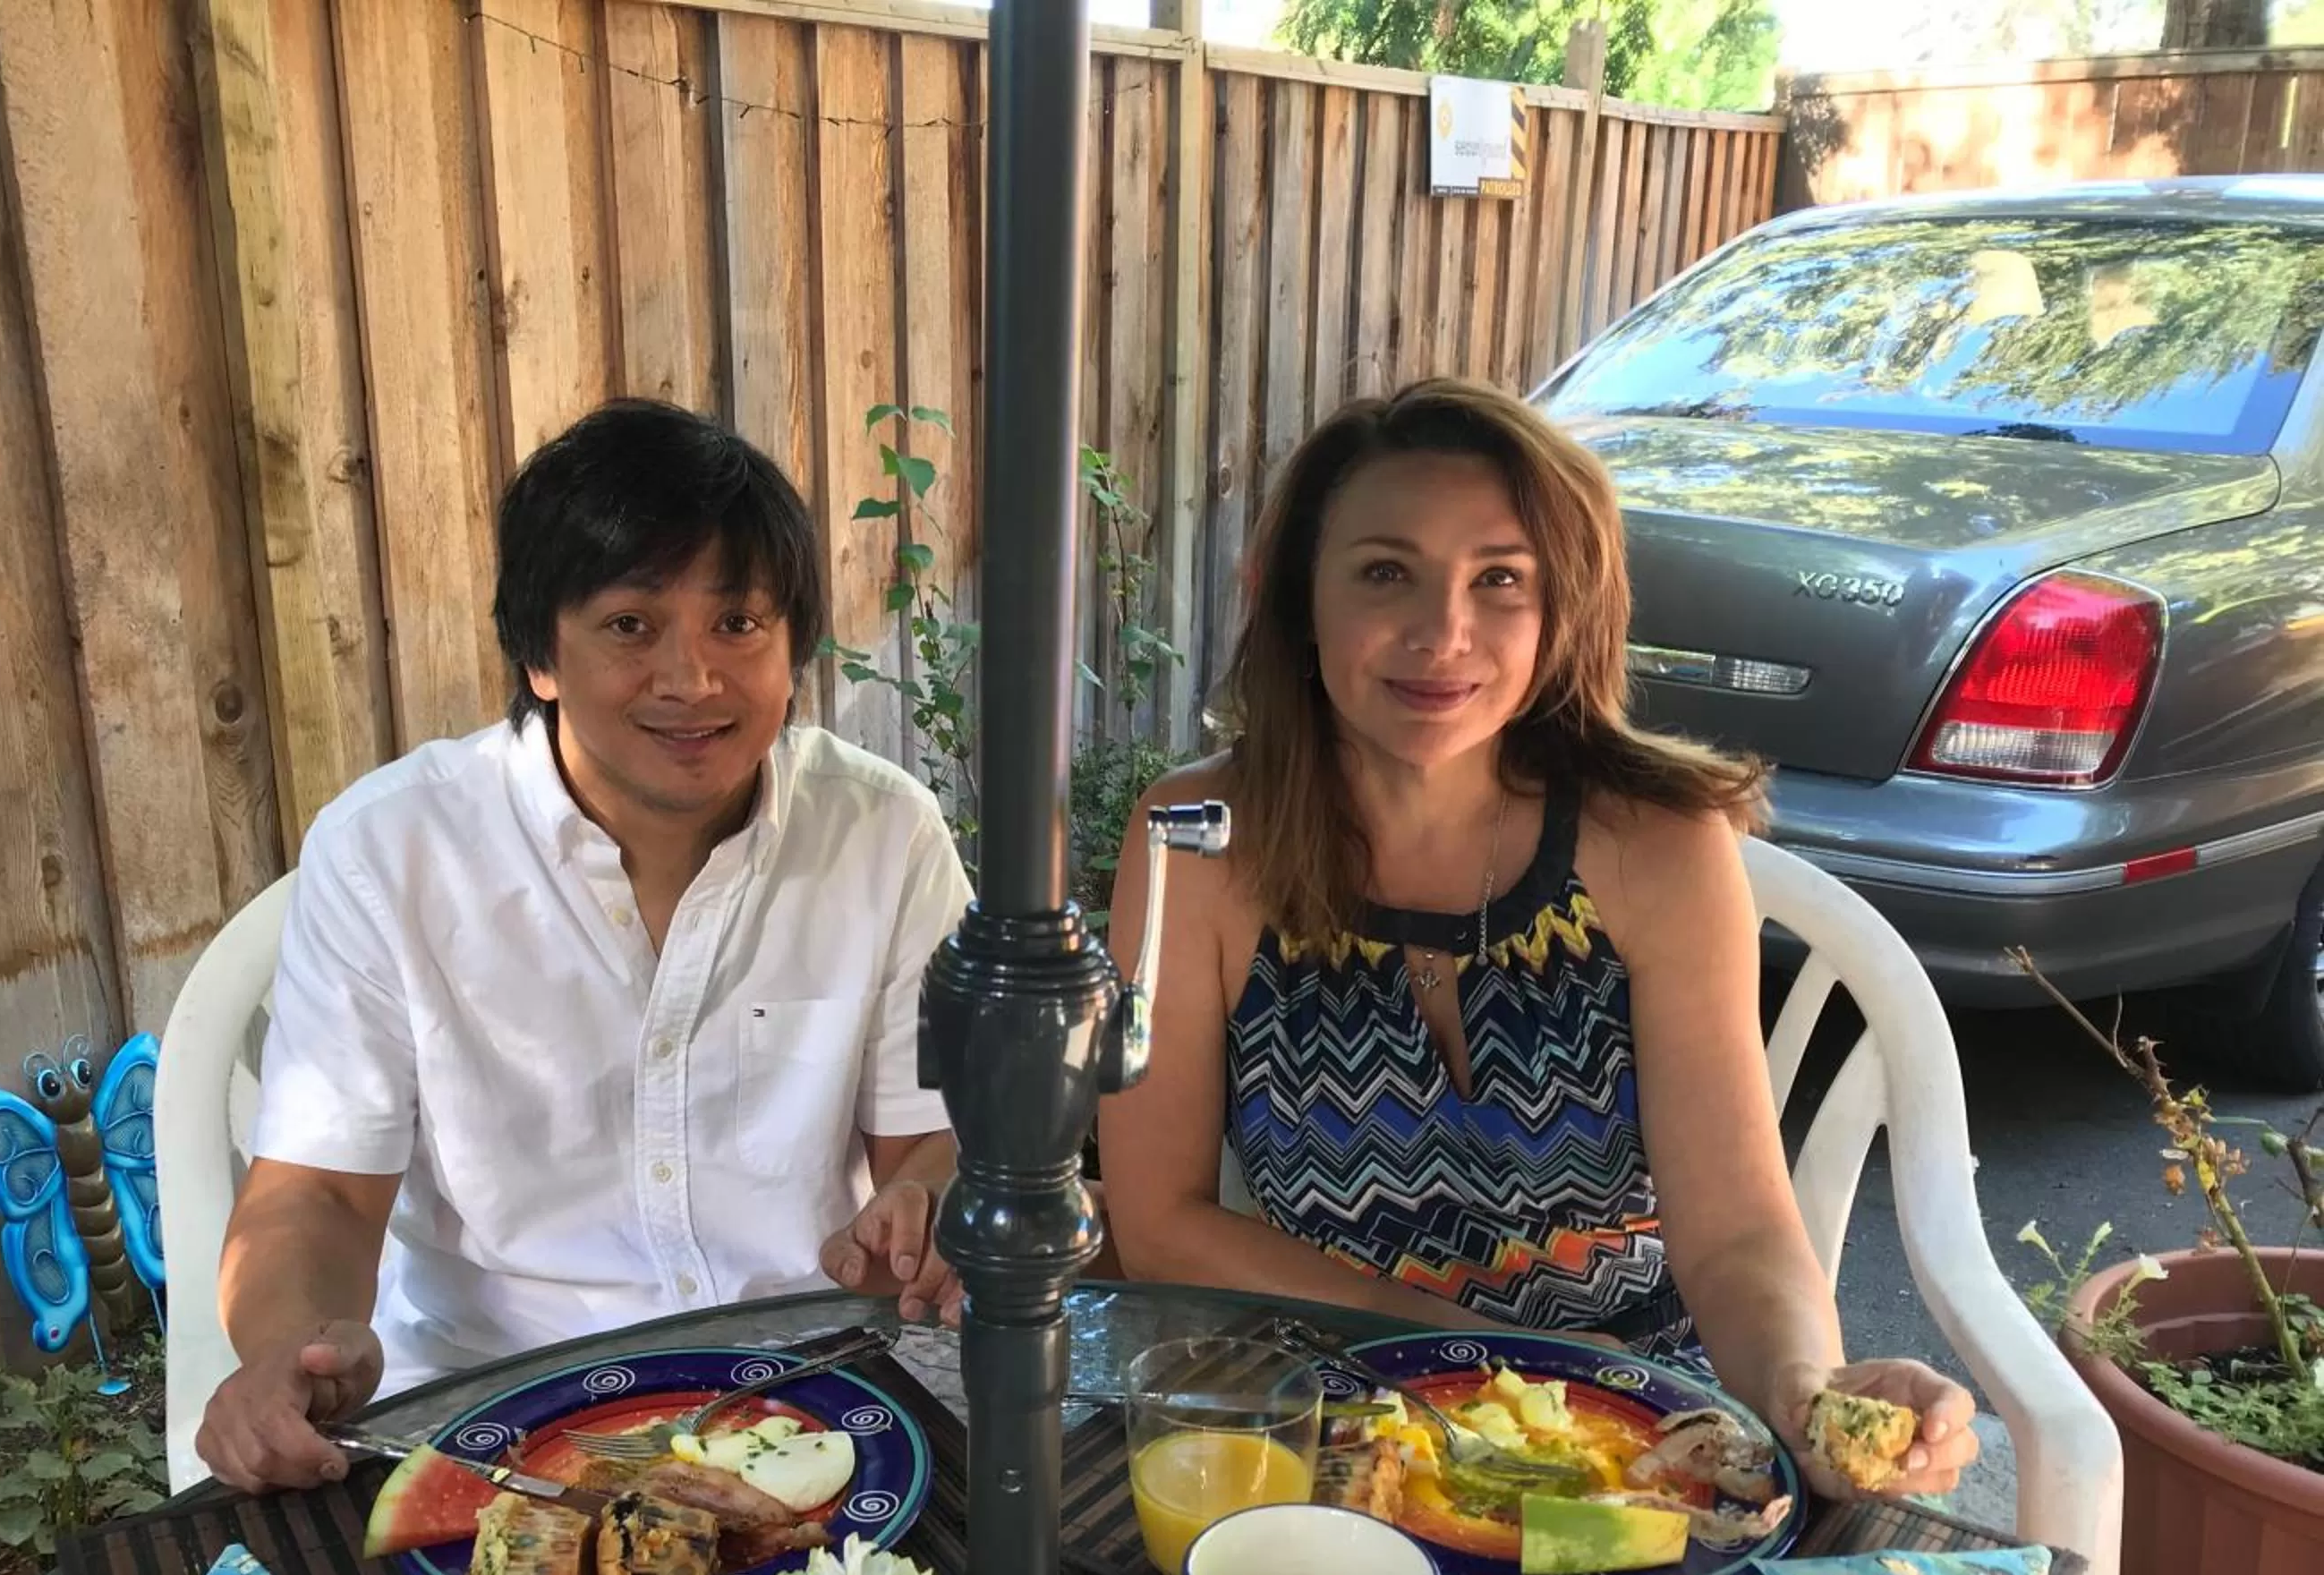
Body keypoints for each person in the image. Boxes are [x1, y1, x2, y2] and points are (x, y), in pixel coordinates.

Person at [1098, 379, 1977, 1501]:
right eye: (1384, 573)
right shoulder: (1198, 840)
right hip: (1351, 1415)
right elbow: (1161, 1223)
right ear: (1291, 601)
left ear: (1561, 606)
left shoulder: (1657, 843)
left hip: (1648, 1429)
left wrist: (1809, 1391)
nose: (1442, 632)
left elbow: (1739, 1229)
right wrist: (1475, 1366)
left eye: (1499, 580)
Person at [198, 401, 971, 1493]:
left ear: (794, 645)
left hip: (814, 1404)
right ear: (538, 653)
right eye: (630, 626)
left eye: (738, 624)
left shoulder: (882, 835)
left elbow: (925, 1144)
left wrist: (923, 1205)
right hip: (495, 1417)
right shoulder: (391, 853)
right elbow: (316, 1193)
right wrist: (292, 1349)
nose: (692, 679)